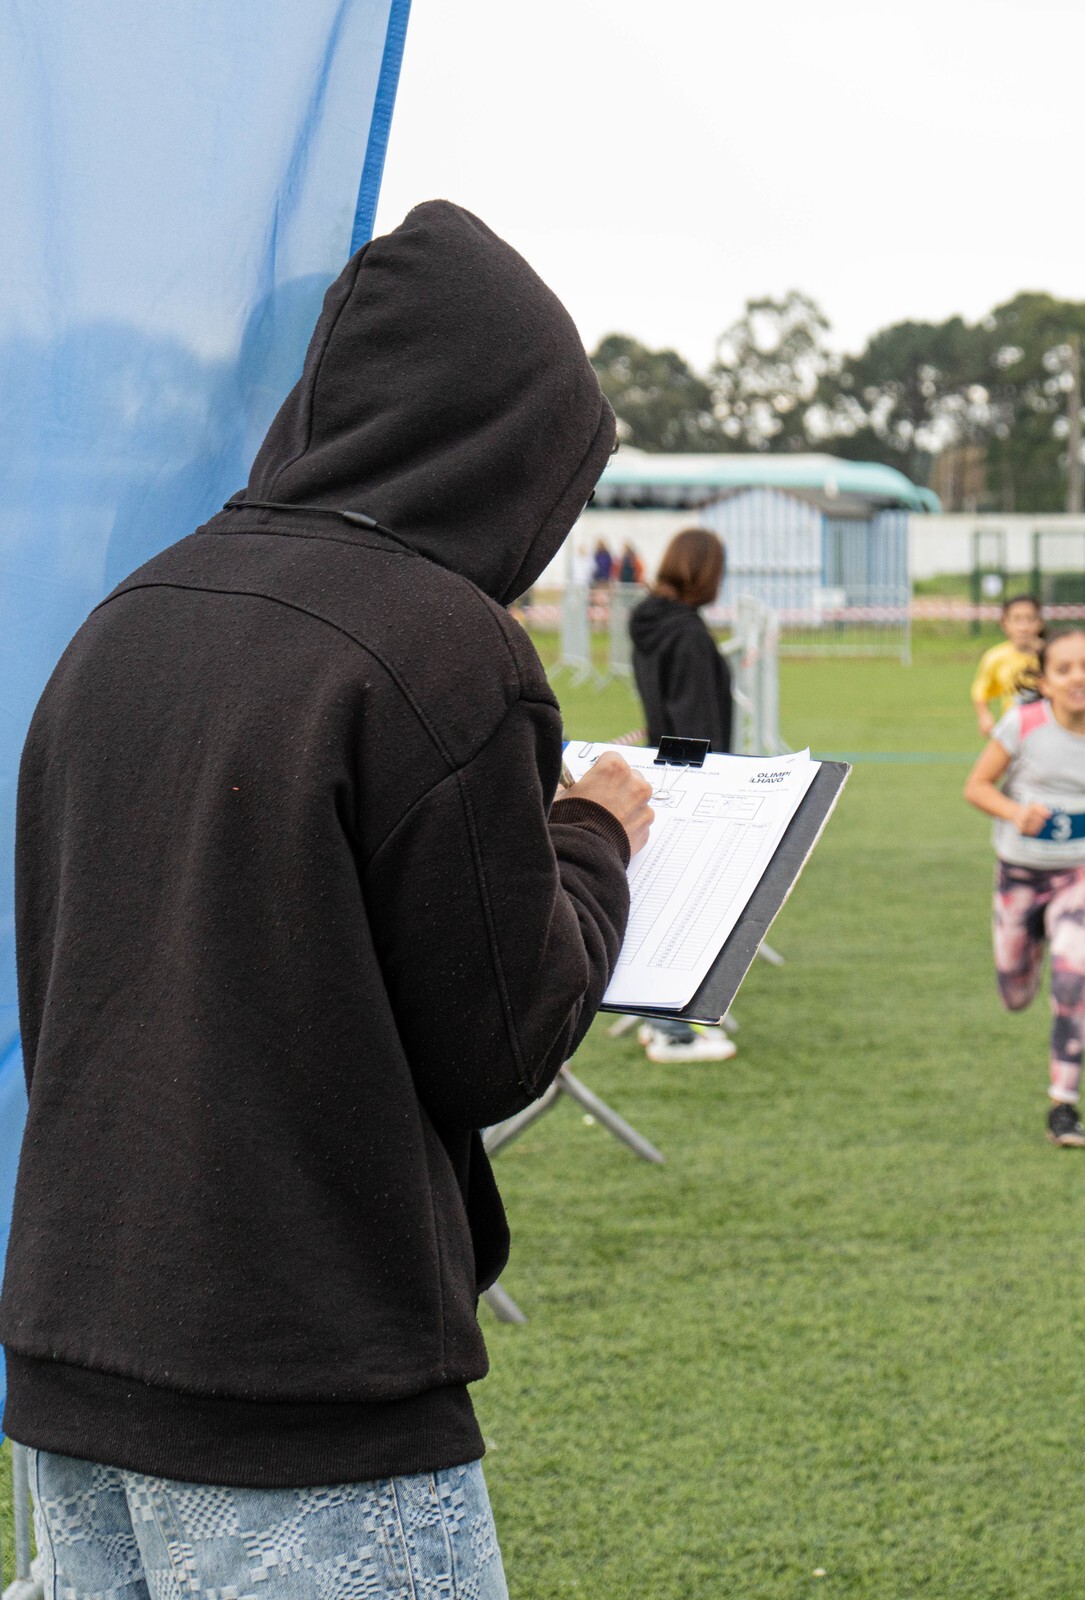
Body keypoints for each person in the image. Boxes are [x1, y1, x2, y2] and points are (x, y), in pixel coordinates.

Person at [4, 200, 654, 1597]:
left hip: (69, 1353)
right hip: (302, 1376)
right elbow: (503, 1034)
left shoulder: (127, 616)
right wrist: (595, 839)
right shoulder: (439, 643)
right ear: (508, 447)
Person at [963, 628, 1085, 1148]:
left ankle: (1064, 1107)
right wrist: (1014, 812)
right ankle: (1032, 943)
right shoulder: (1022, 725)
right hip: (1020, 875)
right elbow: (976, 786)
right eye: (1065, 669)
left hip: (1081, 875)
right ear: (1045, 681)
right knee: (1016, 994)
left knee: (1072, 983)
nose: (1078, 677)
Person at [630, 527, 739, 1065]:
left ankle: (662, 1020)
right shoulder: (688, 635)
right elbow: (696, 723)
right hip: (694, 782)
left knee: (659, 901)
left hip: (662, 771)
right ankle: (669, 1029)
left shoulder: (650, 620)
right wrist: (714, 789)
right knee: (683, 907)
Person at [971, 592, 1044, 737]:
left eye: (1030, 619)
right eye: (1017, 619)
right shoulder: (995, 657)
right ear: (1005, 623)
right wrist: (984, 716)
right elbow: (980, 690)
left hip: (1048, 731)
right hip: (1014, 732)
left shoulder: (1052, 655)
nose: (1024, 627)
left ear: (1040, 623)